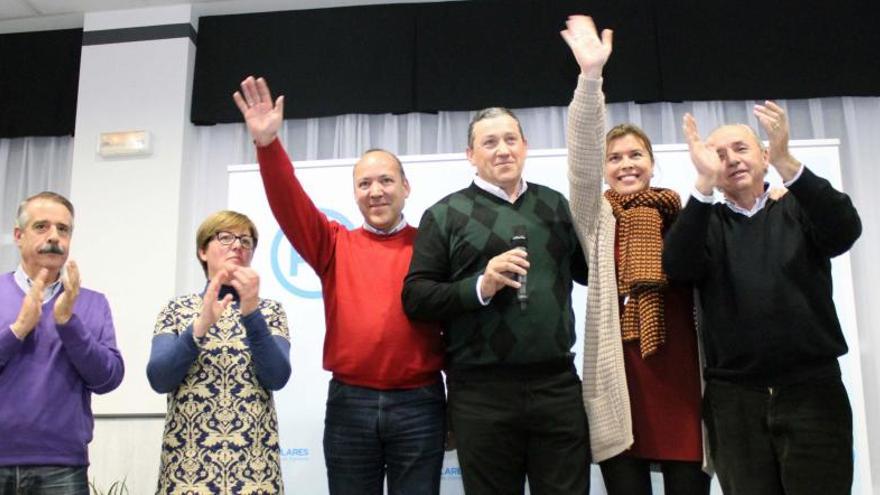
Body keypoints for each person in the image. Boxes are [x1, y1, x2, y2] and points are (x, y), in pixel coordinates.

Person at [232, 76, 446, 495]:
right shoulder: (333, 244)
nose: (376, 192)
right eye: (364, 184)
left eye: (385, 181)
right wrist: (268, 145)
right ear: (355, 194)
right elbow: (289, 202)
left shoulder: (434, 246)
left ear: (405, 187)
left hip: (420, 404)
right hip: (351, 404)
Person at [662, 103, 861, 494]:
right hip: (735, 400)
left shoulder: (798, 207)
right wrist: (702, 185)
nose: (731, 160)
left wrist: (790, 163)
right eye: (718, 155)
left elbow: (844, 229)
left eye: (741, 148)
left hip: (813, 391)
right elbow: (678, 267)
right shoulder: (707, 222)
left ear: (765, 156)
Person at [401, 94, 590, 492]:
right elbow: (416, 298)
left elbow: (590, 275)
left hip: (557, 386)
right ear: (470, 154)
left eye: (510, 140)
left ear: (525, 147)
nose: (502, 150)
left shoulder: (556, 205)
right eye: (489, 143)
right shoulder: (444, 214)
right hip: (481, 393)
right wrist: (479, 287)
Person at [562, 16, 711, 495]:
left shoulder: (686, 215)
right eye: (616, 157)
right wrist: (591, 78)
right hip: (620, 379)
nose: (626, 164)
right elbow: (582, 157)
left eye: (635, 155)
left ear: (651, 163)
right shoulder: (596, 216)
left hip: (685, 377)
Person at [147, 210, 291, 494]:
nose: (237, 246)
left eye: (246, 241)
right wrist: (199, 326)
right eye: (225, 238)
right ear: (203, 251)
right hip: (186, 473)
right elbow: (159, 379)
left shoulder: (270, 311)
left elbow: (277, 377)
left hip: (255, 472)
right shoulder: (176, 310)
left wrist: (250, 313)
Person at [0, 191, 124, 494]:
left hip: (62, 466)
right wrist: (17, 330)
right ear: (19, 235)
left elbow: (108, 378)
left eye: (63, 229)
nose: (54, 236)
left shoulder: (92, 303)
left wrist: (69, 323)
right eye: (42, 227)